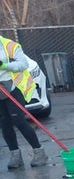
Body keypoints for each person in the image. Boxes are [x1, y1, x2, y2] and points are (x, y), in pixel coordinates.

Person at [0, 35, 48, 169]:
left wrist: (4, 65)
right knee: (4, 122)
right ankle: (15, 155)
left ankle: (39, 152)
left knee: (18, 120)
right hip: (0, 90)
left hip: (14, 87)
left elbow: (23, 64)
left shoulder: (9, 45)